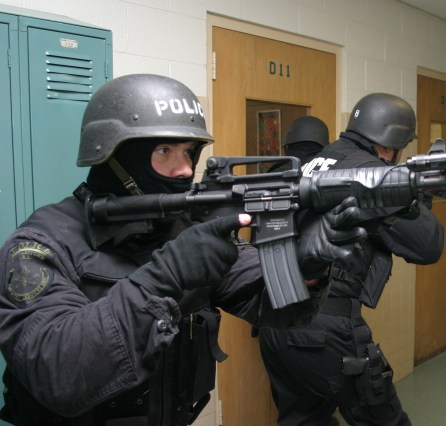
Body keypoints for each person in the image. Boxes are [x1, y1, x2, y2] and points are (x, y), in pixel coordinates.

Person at [0, 74, 366, 426]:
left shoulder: (183, 227)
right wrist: (165, 277)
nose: (185, 169)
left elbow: (269, 301)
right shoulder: (40, 244)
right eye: (164, 151)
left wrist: (306, 267)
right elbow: (58, 373)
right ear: (114, 156)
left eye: (190, 153)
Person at [258, 93, 445, 425]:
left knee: (303, 419)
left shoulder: (317, 160)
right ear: (391, 145)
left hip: (278, 323)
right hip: (325, 329)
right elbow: (428, 244)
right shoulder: (370, 173)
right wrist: (408, 197)